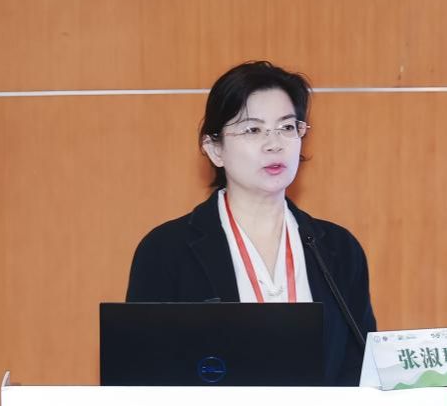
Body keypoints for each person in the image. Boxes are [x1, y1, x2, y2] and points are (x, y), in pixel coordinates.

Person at [126, 61, 376, 385]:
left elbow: (361, 370)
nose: (275, 144)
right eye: (253, 130)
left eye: (287, 127)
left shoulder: (339, 250)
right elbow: (140, 375)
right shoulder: (166, 251)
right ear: (215, 149)